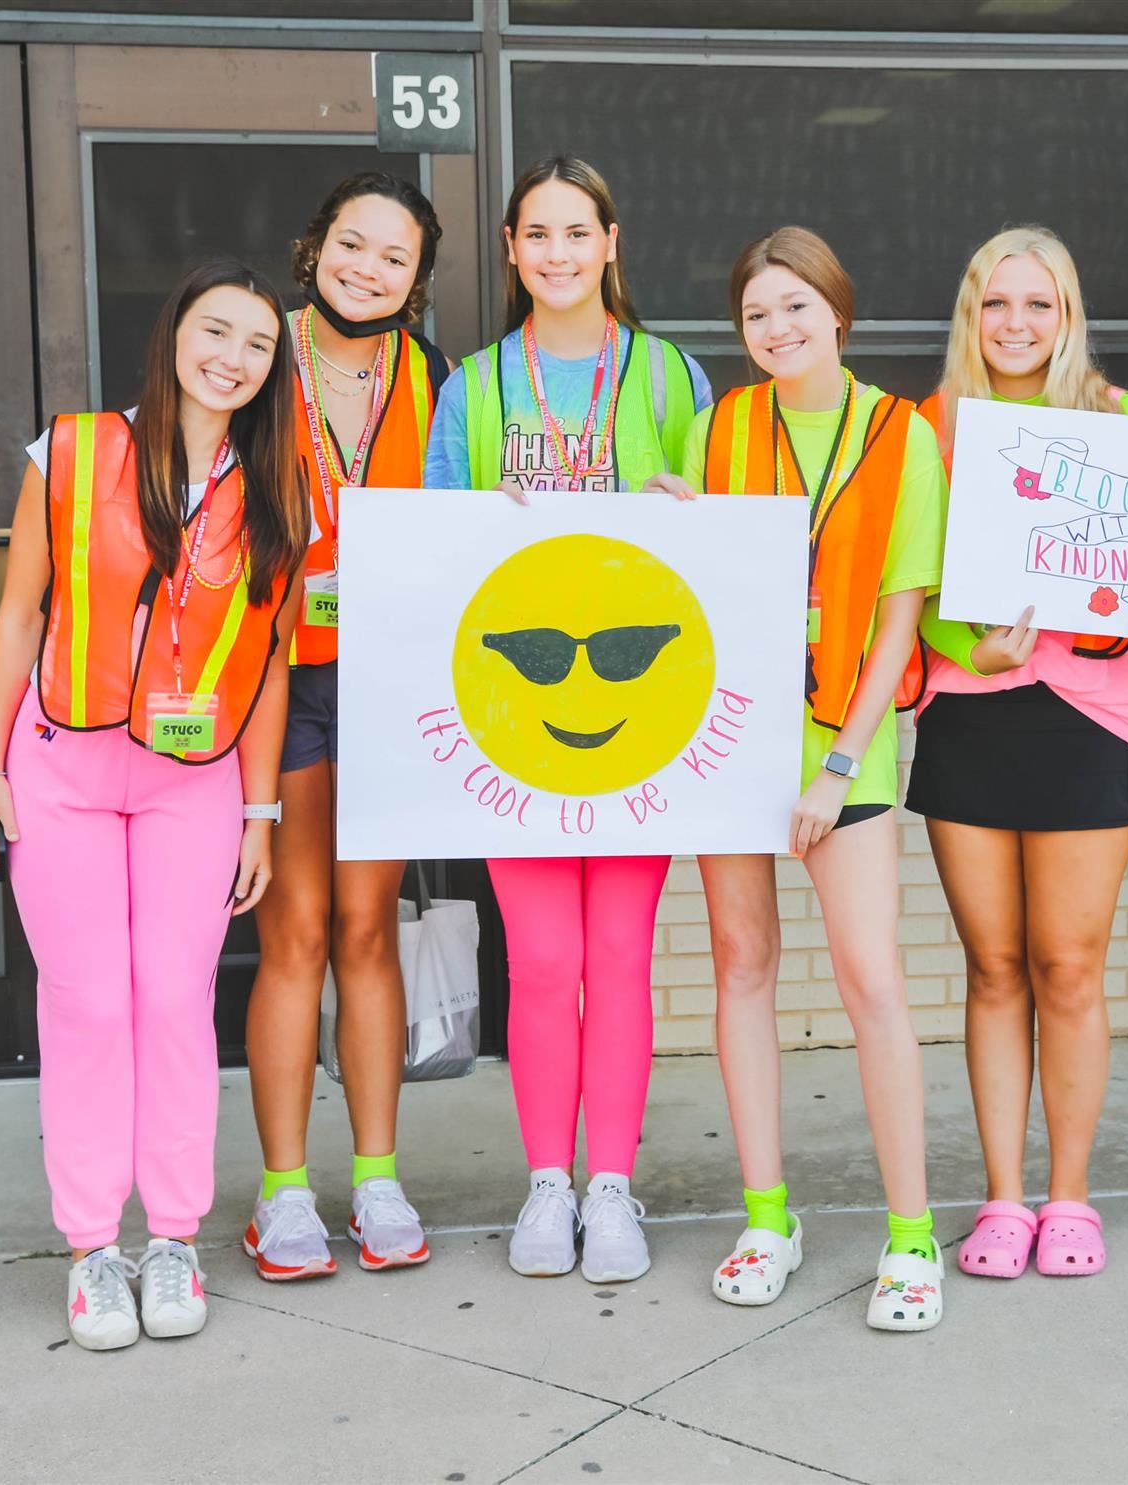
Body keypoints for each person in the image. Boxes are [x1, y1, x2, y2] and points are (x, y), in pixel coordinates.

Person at [0, 259, 307, 1348]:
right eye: (216, 332)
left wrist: (261, 811)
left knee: (170, 998)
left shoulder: (277, 490)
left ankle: (171, 1240)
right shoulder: (70, 454)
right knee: (89, 1005)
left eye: (257, 346)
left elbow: (267, 664)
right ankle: (90, 1252)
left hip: (192, 778)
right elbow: (20, 618)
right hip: (60, 764)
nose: (232, 359)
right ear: (173, 335)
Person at [425, 156, 712, 1284]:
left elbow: (719, 546)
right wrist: (471, 528)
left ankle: (611, 1185)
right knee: (541, 962)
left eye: (574, 233)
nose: (555, 253)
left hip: (639, 717)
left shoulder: (669, 375)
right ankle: (546, 1183)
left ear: (609, 243)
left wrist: (696, 513)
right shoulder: (475, 389)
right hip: (520, 721)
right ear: (508, 249)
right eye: (534, 234)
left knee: (619, 958)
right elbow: (437, 560)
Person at [656, 226, 947, 1331]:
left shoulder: (898, 434)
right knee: (741, 965)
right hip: (729, 741)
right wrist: (666, 513)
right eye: (754, 316)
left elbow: (894, 626)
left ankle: (910, 1239)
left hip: (842, 749)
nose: (774, 330)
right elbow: (690, 579)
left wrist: (832, 769)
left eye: (793, 307)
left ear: (838, 309)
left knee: (870, 980)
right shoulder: (722, 424)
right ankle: (765, 1215)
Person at [908, 227, 1128, 1281]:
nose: (1016, 325)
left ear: (1068, 314)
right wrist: (965, 644)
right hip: (970, 713)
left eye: (1038, 304)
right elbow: (905, 593)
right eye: (995, 303)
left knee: (1067, 970)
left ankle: (1069, 1198)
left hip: (1091, 718)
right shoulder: (929, 429)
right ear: (968, 314)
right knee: (991, 968)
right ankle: (1001, 1200)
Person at [243, 171, 450, 1282]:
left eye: (393, 257)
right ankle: (283, 1193)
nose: (366, 268)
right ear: (313, 243)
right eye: (351, 243)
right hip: (275, 683)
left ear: (417, 283)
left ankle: (375, 1175)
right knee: (296, 934)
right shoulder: (250, 350)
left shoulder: (435, 379)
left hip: (383, 685)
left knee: (368, 933)